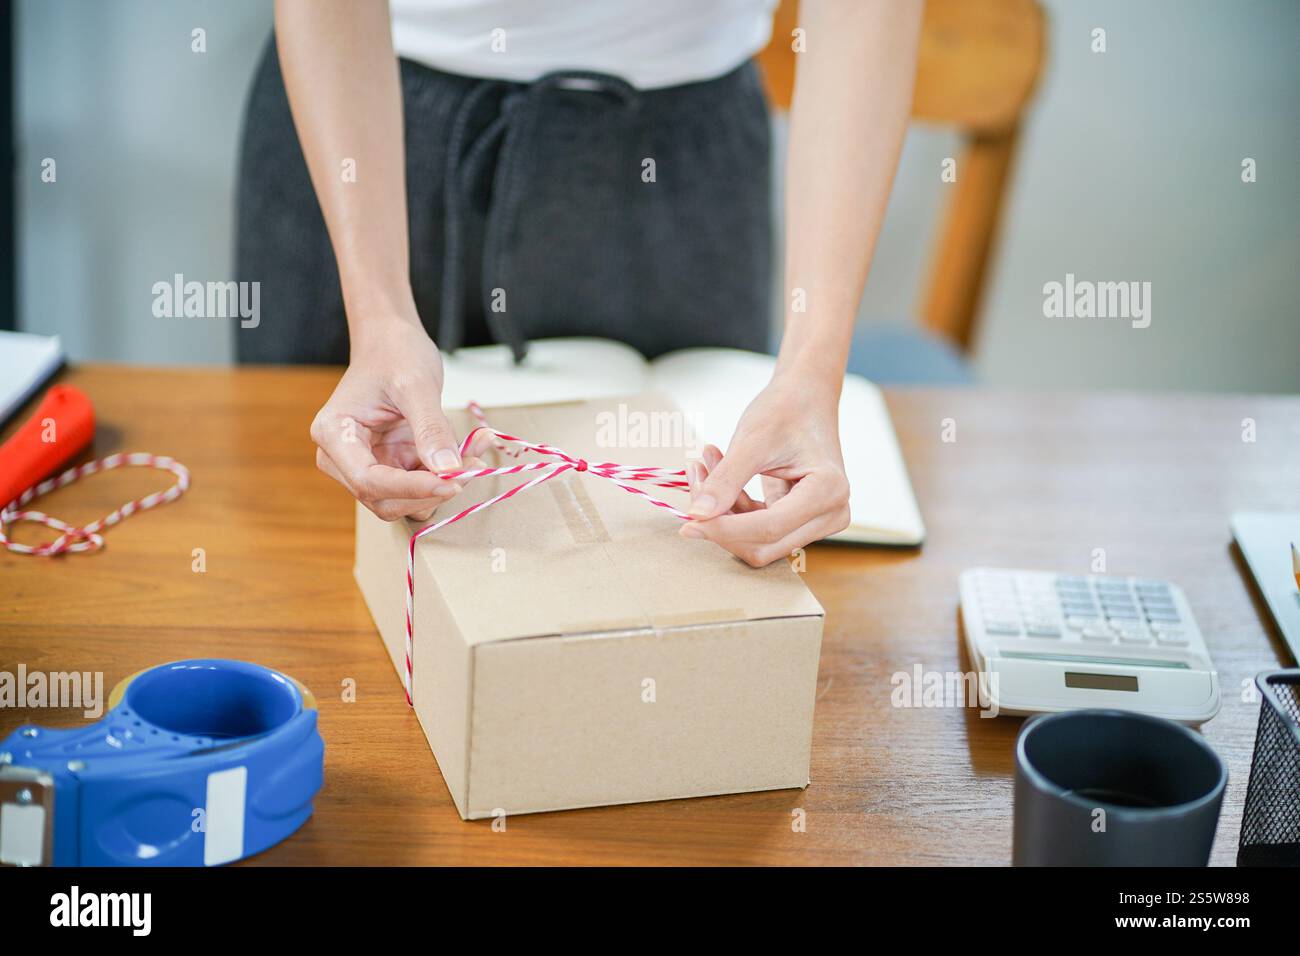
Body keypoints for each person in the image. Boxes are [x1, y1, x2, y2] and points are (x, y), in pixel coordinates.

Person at [236, 0, 922, 567]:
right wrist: (379, 315)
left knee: (675, 564)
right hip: (366, 128)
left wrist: (812, 370)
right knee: (315, 542)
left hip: (682, 166)